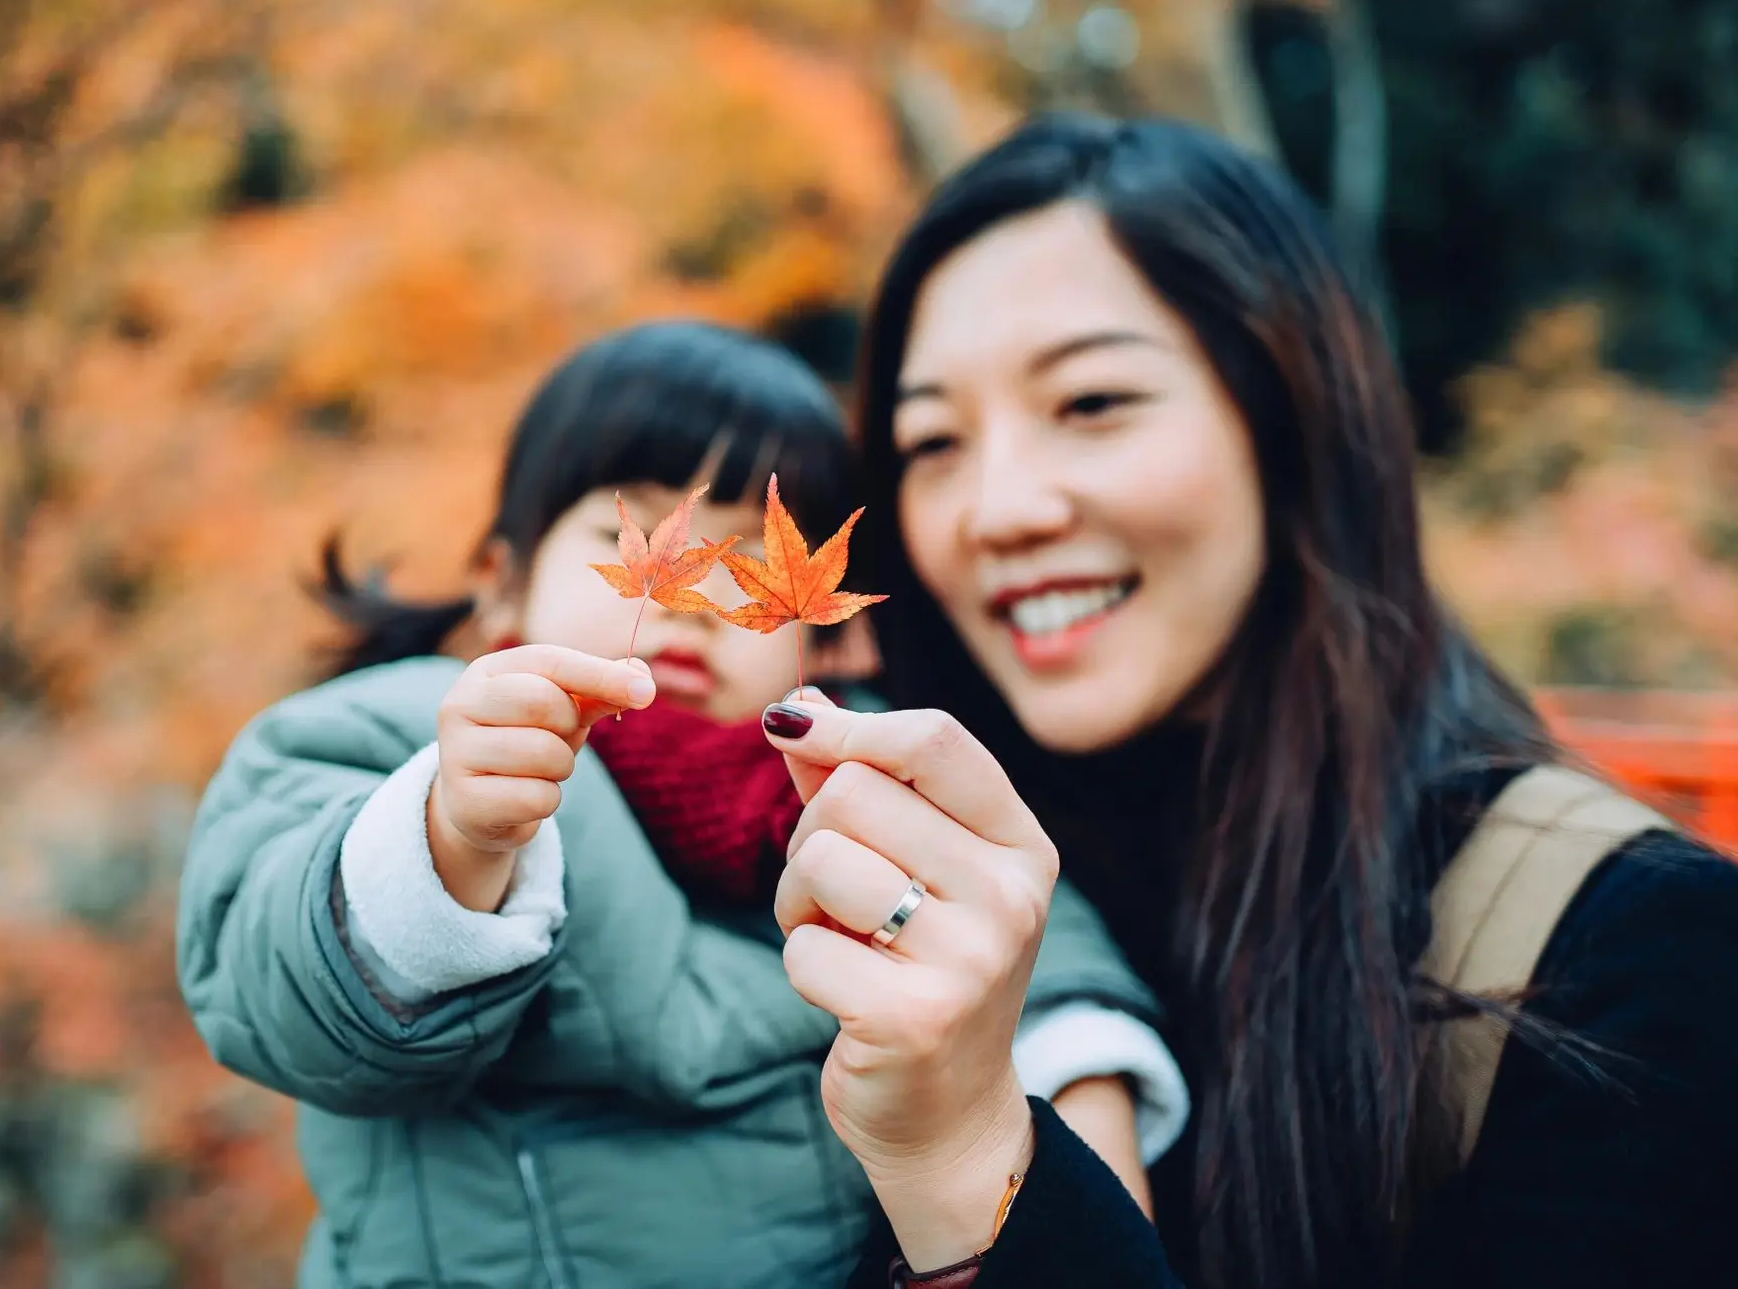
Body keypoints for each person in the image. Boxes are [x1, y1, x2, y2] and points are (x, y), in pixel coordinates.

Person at [753, 115, 1738, 1289]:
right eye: (932, 441)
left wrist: (970, 1161)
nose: (996, 508)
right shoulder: (855, 860)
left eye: (1091, 402)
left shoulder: (1634, 956)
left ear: (1293, 417)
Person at [176, 321, 1190, 1289]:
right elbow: (276, 989)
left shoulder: (868, 774)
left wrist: (1073, 1079)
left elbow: (1024, 936)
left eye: (747, 560)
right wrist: (450, 838)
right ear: (499, 583)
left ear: (831, 633)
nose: (682, 594)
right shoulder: (413, 734)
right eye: (633, 530)